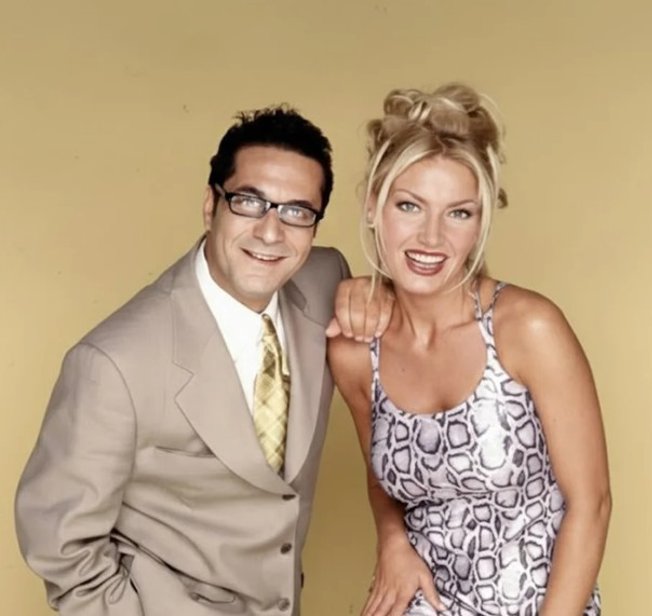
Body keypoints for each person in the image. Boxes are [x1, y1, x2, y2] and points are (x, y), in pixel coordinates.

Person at [15, 105, 392, 616]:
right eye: (249, 202)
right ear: (211, 205)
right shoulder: (113, 363)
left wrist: (378, 296)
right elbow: (60, 543)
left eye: (297, 211)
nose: (271, 232)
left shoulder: (327, 280)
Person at [329, 84, 612, 616]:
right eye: (409, 206)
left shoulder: (527, 329)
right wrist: (392, 540)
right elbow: (381, 478)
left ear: (481, 222)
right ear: (372, 207)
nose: (431, 238)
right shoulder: (355, 351)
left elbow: (591, 504)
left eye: (458, 213)